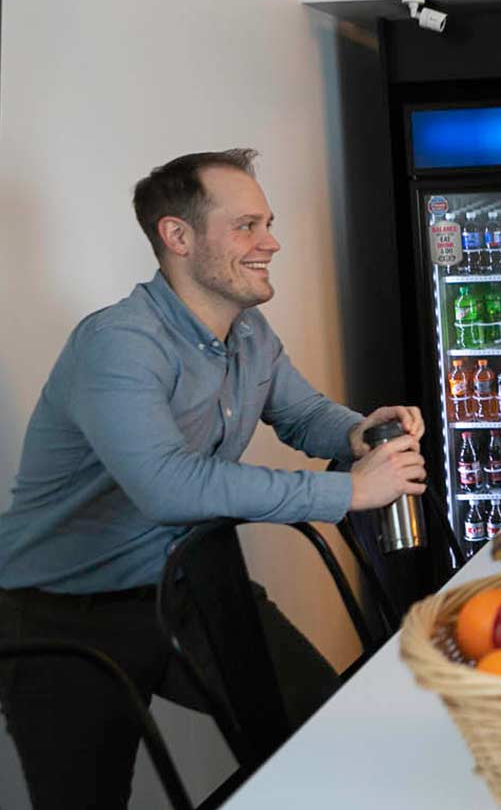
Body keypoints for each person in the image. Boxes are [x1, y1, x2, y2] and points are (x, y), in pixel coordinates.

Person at [0, 149, 427, 810]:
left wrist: (357, 430)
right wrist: (348, 491)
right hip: (66, 616)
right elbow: (168, 487)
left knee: (327, 736)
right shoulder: (119, 343)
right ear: (178, 237)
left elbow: (304, 415)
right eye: (248, 226)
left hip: (189, 582)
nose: (272, 242)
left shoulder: (248, 332)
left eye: (269, 223)